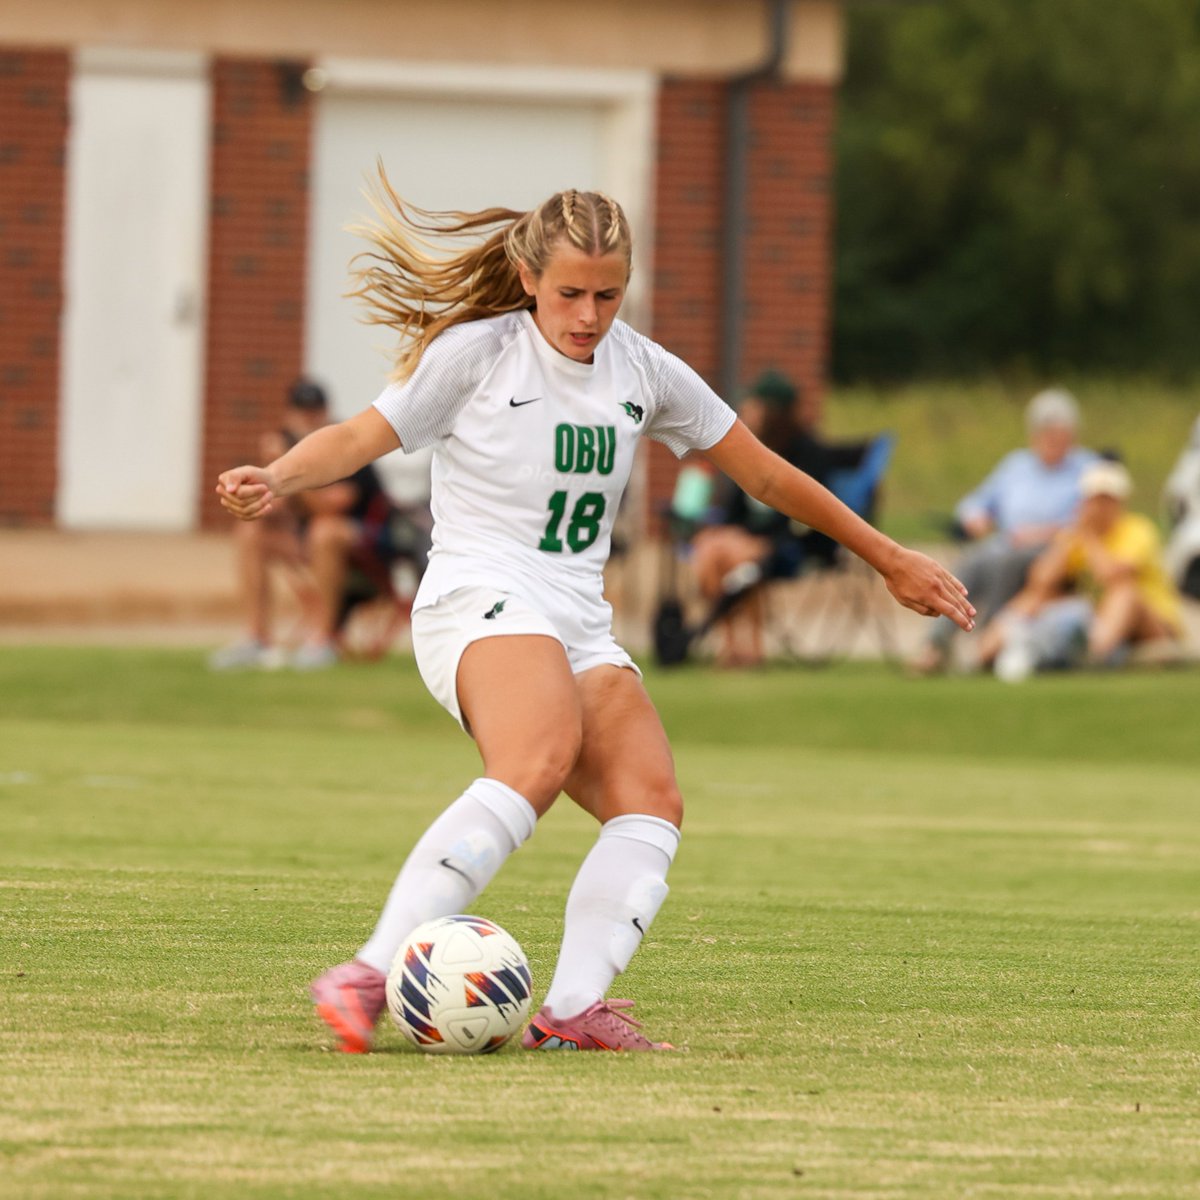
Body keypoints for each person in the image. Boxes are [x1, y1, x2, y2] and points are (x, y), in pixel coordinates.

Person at [216, 178, 974, 1053]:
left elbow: (765, 477)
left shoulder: (645, 371)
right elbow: (359, 438)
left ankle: (572, 1008)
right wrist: (278, 478)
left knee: (651, 800)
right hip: (477, 595)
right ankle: (369, 971)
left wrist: (890, 556)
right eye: (570, 293)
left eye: (607, 294)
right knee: (537, 756)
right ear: (529, 275)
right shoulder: (477, 354)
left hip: (576, 616)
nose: (587, 314)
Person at [209, 378, 428, 671]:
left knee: (324, 532)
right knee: (251, 532)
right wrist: (251, 495)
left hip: (367, 551)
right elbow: (280, 511)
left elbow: (332, 506)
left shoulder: (340, 443)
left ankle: (323, 640)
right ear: (289, 414)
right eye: (302, 411)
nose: (308, 418)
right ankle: (256, 639)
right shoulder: (285, 443)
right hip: (311, 547)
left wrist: (284, 474)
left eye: (315, 411)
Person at [908, 388, 1098, 674]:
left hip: (1057, 549)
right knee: (973, 561)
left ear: (1072, 435)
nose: (1053, 440)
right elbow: (975, 502)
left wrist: (1042, 533)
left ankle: (985, 641)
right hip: (1006, 542)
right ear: (1034, 434)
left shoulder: (1086, 467)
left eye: (1060, 433)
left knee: (1003, 562)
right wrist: (977, 517)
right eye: (1047, 432)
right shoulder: (1016, 465)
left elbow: (1090, 520)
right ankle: (936, 643)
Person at [689, 370, 868, 666]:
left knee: (740, 559)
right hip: (746, 540)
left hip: (790, 546)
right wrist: (724, 533)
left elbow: (806, 512)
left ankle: (752, 648)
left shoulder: (807, 454)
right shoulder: (748, 450)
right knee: (709, 548)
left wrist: (753, 538)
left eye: (754, 406)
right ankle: (731, 643)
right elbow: (734, 511)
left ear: (774, 413)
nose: (745, 412)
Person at [978, 459, 1183, 682]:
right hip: (1097, 618)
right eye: (1095, 500)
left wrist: (1089, 537)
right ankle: (987, 650)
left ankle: (1093, 655)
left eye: (1107, 500)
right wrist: (1069, 541)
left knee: (1125, 593)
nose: (1100, 507)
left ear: (1120, 502)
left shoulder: (1137, 530)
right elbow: (1040, 579)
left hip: (1152, 624)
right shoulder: (1076, 535)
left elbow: (1113, 576)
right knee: (1039, 597)